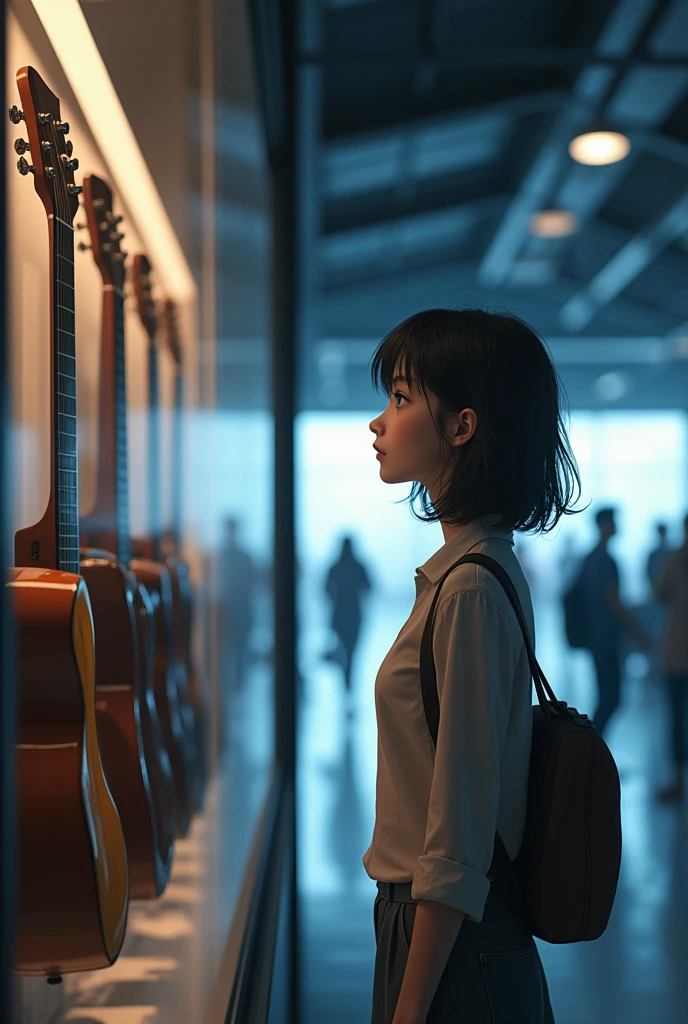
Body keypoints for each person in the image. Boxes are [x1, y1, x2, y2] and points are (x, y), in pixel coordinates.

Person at [363, 308, 575, 1024]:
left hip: (451, 943)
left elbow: (457, 832)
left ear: (462, 426)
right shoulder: (480, 571)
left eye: (399, 399)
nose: (379, 423)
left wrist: (409, 1004)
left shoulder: (471, 589)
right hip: (448, 931)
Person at [579, 508, 650, 738]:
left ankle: (594, 752)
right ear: (603, 524)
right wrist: (637, 629)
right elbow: (614, 601)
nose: (618, 525)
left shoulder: (590, 558)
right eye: (614, 521)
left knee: (606, 697)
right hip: (607, 639)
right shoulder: (606, 561)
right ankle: (592, 751)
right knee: (611, 697)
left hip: (596, 637)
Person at [653, 513, 688, 801]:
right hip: (676, 653)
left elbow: (659, 594)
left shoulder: (676, 558)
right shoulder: (672, 557)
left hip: (677, 653)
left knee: (676, 719)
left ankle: (678, 780)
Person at [324, 535, 372, 709]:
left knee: (343, 653)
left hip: (339, 617)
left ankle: (346, 687)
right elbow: (369, 588)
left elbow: (325, 590)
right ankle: (348, 687)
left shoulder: (335, 567)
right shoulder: (359, 566)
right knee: (352, 654)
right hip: (355, 616)